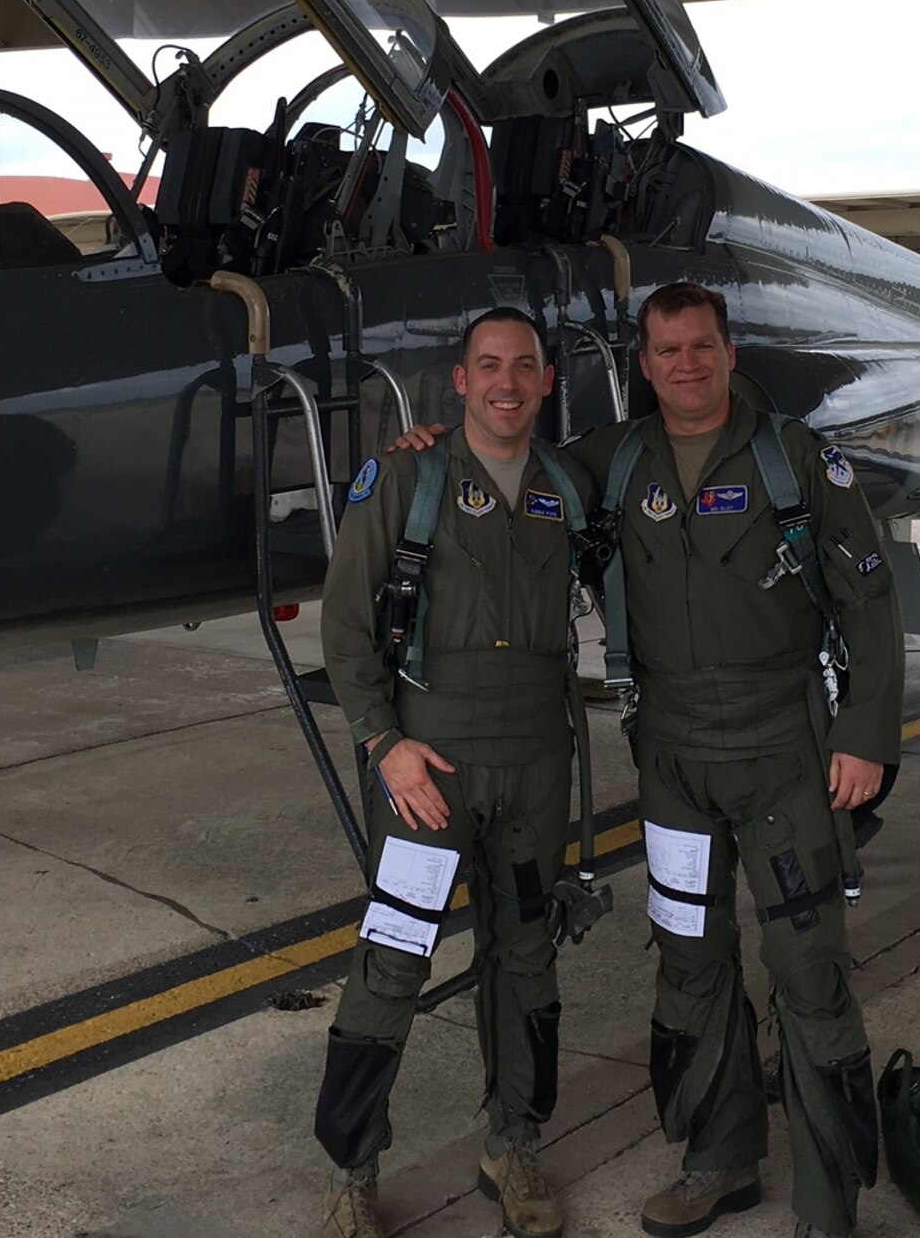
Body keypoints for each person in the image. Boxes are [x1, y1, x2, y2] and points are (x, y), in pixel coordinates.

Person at [390, 281, 904, 1238]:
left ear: (728, 351)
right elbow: (511, 459)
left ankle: (830, 1207)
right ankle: (720, 1158)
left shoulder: (795, 461)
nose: (685, 365)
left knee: (809, 970)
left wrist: (867, 735)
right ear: (645, 363)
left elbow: (870, 600)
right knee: (692, 960)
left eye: (700, 346)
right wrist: (432, 446)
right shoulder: (614, 460)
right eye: (665, 350)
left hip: (784, 747)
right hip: (670, 754)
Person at [315, 307, 598, 1238]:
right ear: (460, 381)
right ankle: (353, 1168)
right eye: (490, 365)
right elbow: (348, 624)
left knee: (526, 958)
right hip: (426, 767)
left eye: (525, 366)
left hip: (534, 765)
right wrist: (381, 741)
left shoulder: (568, 482)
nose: (508, 381)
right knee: (395, 954)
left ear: (548, 381)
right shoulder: (405, 476)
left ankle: (512, 1144)